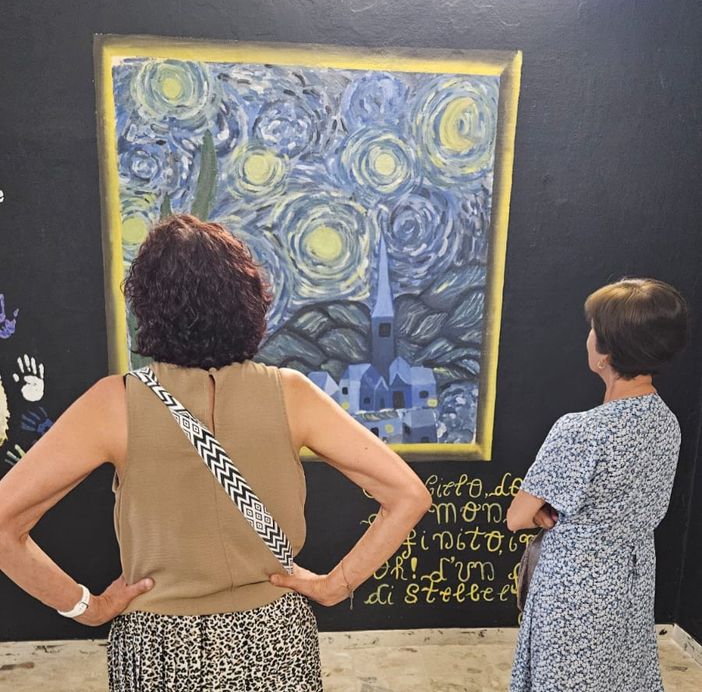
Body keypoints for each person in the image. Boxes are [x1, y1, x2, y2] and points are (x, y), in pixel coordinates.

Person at [0, 214, 432, 691]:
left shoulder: (113, 404)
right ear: (248, 302)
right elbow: (408, 495)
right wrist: (335, 586)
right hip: (275, 639)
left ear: (148, 307)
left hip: (160, 649)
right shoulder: (292, 394)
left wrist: (87, 607)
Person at [506, 278, 688, 692]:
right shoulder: (667, 423)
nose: (587, 337)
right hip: (633, 582)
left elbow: (516, 517)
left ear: (606, 352)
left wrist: (544, 510)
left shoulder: (581, 430)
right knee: (620, 677)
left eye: (593, 330)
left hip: (576, 590)